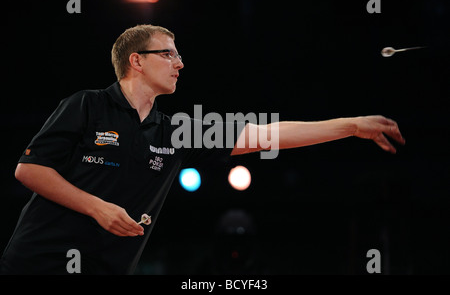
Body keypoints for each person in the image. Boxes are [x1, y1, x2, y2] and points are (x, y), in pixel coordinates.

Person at [0, 24, 405, 275]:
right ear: (136, 61)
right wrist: (97, 207)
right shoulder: (86, 105)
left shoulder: (178, 131)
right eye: (169, 54)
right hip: (38, 263)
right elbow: (29, 170)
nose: (180, 63)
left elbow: (269, 133)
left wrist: (351, 125)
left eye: (179, 55)